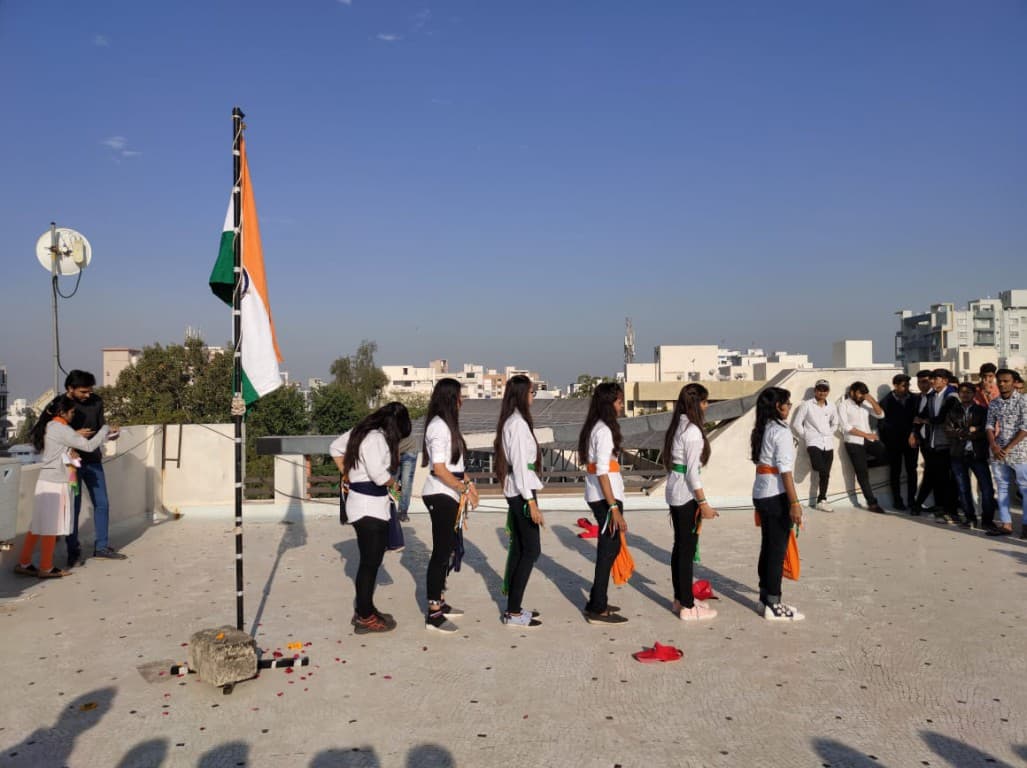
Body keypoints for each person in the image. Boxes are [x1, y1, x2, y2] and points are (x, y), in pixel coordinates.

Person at [330, 403, 411, 634]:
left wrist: (346, 473)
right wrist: (394, 483)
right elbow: (377, 475)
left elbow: (335, 448)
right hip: (369, 508)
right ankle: (364, 616)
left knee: (371, 562)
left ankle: (367, 608)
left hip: (367, 505)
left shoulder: (362, 430)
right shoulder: (375, 438)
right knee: (369, 564)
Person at [15, 396, 112, 578]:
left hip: (45, 481)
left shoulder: (51, 426)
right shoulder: (61, 429)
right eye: (72, 412)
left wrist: (71, 449)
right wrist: (105, 429)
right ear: (62, 412)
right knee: (51, 526)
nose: (73, 415)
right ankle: (46, 567)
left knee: (38, 524)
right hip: (56, 483)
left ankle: (24, 562)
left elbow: (59, 450)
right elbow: (90, 446)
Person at [421, 379, 478, 633]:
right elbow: (440, 469)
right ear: (449, 399)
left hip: (450, 495)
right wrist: (462, 488)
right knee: (441, 553)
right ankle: (433, 612)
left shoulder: (448, 427)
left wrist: (469, 485)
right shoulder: (438, 428)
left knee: (449, 550)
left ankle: (440, 601)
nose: (462, 401)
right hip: (440, 495)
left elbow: (456, 468)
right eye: (459, 396)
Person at [54, 370, 126, 565]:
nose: (88, 395)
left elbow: (101, 426)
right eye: (83, 392)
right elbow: (50, 432)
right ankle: (73, 551)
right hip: (71, 465)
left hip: (93, 461)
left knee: (102, 504)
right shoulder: (60, 404)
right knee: (74, 508)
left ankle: (101, 547)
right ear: (70, 388)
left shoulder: (97, 401)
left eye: (89, 391)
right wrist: (75, 435)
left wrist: (110, 433)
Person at [663, 383, 718, 621]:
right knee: (685, 549)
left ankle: (681, 597)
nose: (707, 406)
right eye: (705, 402)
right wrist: (703, 502)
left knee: (680, 547)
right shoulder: (693, 431)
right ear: (697, 404)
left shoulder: (679, 425)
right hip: (685, 494)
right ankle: (687, 605)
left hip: (676, 490)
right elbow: (692, 473)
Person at [494, 375, 544, 629]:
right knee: (531, 550)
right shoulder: (518, 424)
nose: (533, 396)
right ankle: (513, 612)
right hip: (522, 490)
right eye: (532, 392)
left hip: (519, 488)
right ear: (523, 394)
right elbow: (522, 466)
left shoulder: (512, 421)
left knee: (523, 549)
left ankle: (514, 607)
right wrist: (531, 503)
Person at [750, 387, 804, 621]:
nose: (789, 406)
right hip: (776, 495)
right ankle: (773, 601)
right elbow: (785, 472)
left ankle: (765, 599)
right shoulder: (780, 431)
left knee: (769, 546)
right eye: (786, 402)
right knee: (776, 549)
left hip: (762, 492)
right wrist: (794, 502)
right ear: (777, 406)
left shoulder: (764, 428)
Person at [579, 382, 628, 625]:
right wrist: (614, 508)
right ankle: (597, 606)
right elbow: (602, 471)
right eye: (619, 401)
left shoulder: (595, 427)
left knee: (609, 549)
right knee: (608, 550)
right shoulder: (604, 431)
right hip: (606, 498)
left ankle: (597, 599)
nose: (621, 405)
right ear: (610, 403)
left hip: (598, 495)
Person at [944, 382, 996, 530]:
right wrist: (969, 431)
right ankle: (970, 518)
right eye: (962, 392)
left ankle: (987, 520)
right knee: (963, 488)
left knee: (987, 488)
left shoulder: (982, 411)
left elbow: (986, 431)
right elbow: (948, 431)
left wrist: (963, 432)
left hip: (977, 455)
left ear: (974, 394)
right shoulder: (952, 411)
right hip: (958, 455)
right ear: (959, 394)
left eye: (968, 392)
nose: (965, 394)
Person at [985, 369, 1027, 537]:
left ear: (1014, 382)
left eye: (1006, 381)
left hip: (1021, 451)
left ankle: (1025, 526)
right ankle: (1006, 524)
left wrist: (1008, 448)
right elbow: (989, 426)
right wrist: (994, 445)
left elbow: (1025, 427)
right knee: (1002, 487)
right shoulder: (994, 403)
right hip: (998, 451)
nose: (1002, 384)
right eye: (999, 381)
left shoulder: (1023, 401)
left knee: (1025, 489)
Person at [790, 379, 839, 512]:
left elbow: (835, 423)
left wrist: (830, 432)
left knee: (825, 474)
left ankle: (822, 500)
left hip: (828, 443)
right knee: (819, 467)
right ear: (815, 390)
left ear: (828, 391)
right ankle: (818, 499)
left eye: (825, 389)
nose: (822, 392)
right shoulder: (806, 405)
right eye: (819, 389)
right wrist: (806, 436)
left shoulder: (832, 406)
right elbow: (796, 423)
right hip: (813, 442)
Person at [837, 382, 887, 513]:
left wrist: (870, 399)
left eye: (863, 393)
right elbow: (845, 427)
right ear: (852, 392)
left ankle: (867, 463)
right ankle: (872, 503)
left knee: (886, 453)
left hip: (869, 440)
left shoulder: (865, 404)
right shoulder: (844, 405)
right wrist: (866, 434)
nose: (861, 396)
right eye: (859, 393)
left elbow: (881, 415)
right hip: (853, 442)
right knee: (862, 474)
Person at [921, 369, 960, 524]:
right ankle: (940, 509)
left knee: (949, 480)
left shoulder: (952, 396)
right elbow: (924, 415)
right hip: (933, 443)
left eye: (935, 378)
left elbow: (942, 418)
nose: (932, 381)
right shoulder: (931, 396)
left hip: (948, 444)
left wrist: (926, 421)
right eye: (931, 378)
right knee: (938, 478)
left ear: (944, 381)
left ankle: (951, 511)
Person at [878, 374, 919, 511]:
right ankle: (897, 500)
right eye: (903, 385)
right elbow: (882, 424)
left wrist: (914, 434)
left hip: (911, 441)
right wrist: (888, 440)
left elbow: (917, 419)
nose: (906, 388)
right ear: (895, 385)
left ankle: (912, 501)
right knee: (895, 472)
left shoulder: (914, 399)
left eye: (907, 385)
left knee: (911, 471)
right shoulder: (886, 402)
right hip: (893, 443)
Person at [395, 432, 418, 522]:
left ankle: (403, 511)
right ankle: (392, 508)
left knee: (406, 483)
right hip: (394, 451)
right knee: (392, 483)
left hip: (409, 449)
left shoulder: (401, 419)